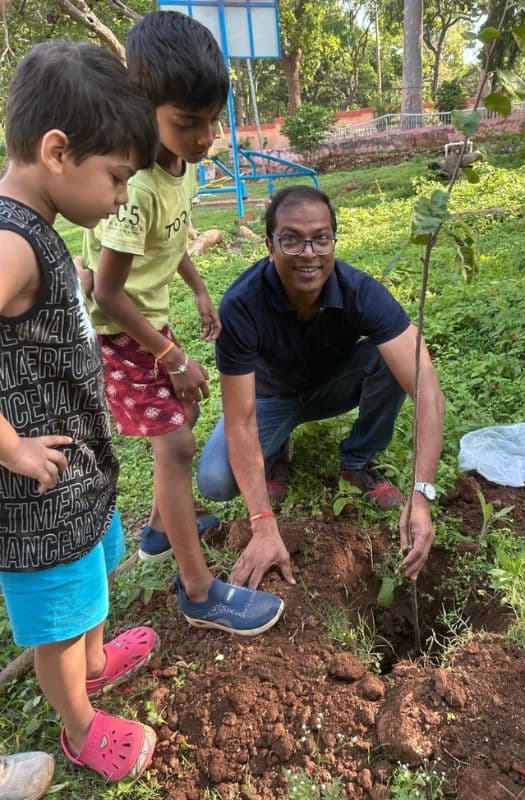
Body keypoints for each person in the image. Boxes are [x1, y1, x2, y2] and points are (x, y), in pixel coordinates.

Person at [81, 11, 284, 636]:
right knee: (175, 444)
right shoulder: (135, 184)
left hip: (154, 320)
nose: (204, 137)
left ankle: (158, 529)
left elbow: (172, 242)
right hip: (120, 332)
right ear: (145, 111)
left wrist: (197, 290)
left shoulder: (181, 170)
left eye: (211, 120)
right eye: (187, 123)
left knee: (188, 414)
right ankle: (199, 593)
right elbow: (110, 291)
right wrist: (171, 357)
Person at [0, 40, 159, 782]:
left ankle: (95, 662)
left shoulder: (40, 229)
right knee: (58, 614)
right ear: (58, 151)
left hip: (76, 469)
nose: (123, 195)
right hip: (36, 488)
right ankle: (78, 724)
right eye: (118, 177)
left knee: (90, 567)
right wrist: (12, 449)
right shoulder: (11, 243)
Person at [196, 185, 446, 590]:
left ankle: (358, 461)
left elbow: (427, 390)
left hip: (332, 388)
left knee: (392, 359)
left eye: (321, 238)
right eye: (291, 239)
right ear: (269, 244)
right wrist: (262, 523)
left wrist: (421, 494)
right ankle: (276, 454)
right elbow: (240, 421)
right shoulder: (242, 305)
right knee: (216, 479)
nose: (308, 252)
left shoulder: (361, 293)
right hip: (268, 399)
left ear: (333, 240)